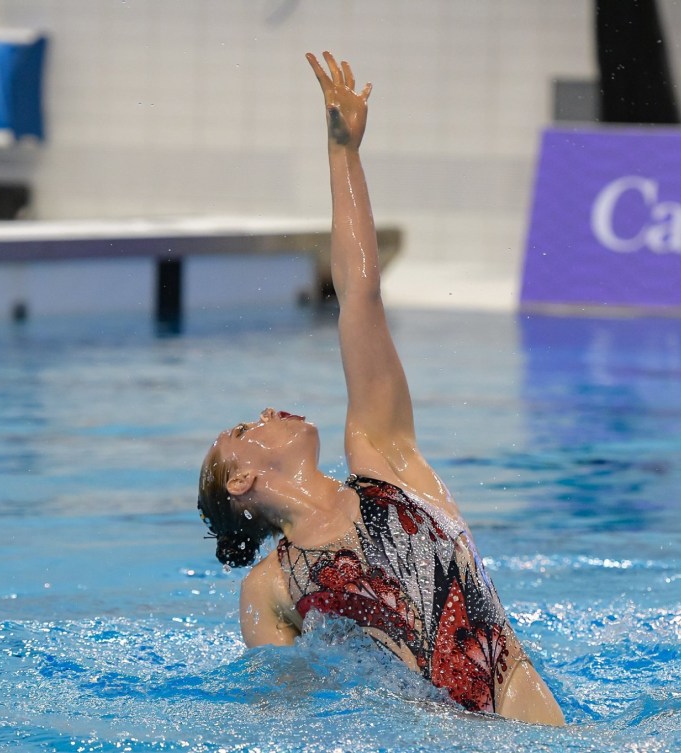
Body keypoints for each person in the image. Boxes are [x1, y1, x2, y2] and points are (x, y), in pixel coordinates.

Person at [197, 51, 565, 726]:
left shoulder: (385, 459)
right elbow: (284, 715)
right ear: (241, 481)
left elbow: (359, 294)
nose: (272, 411)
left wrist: (344, 153)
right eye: (248, 429)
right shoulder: (270, 586)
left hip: (528, 724)